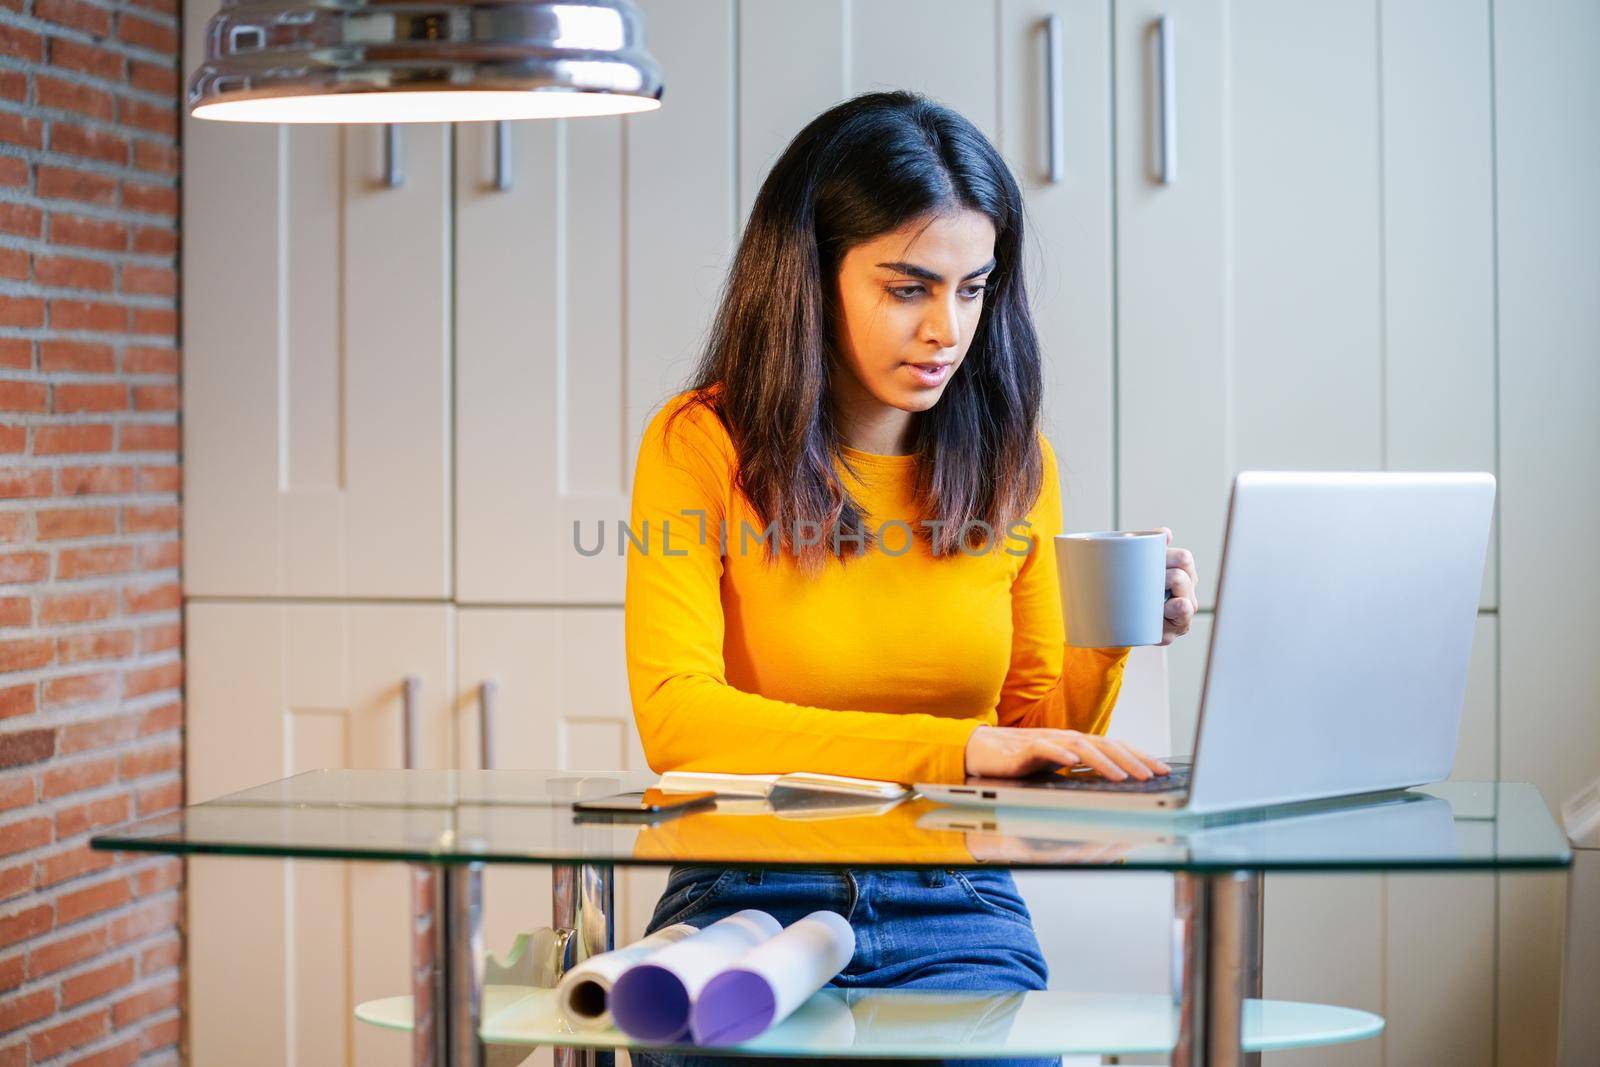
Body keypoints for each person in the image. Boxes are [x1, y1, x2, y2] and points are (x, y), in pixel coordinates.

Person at [622, 89, 1199, 1067]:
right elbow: (680, 722)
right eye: (908, 287)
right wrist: (958, 749)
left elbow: (1026, 746)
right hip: (744, 896)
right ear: (811, 275)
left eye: (973, 287)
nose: (947, 328)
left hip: (955, 905)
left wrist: (1109, 637)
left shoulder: (1018, 463)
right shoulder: (702, 443)